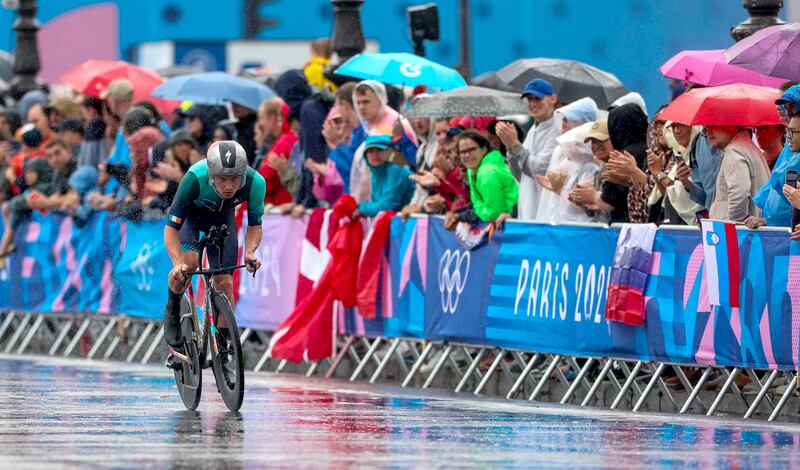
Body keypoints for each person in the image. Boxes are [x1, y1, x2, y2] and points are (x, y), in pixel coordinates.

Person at [163, 140, 265, 352]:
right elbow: (171, 228)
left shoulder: (256, 182)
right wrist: (177, 263)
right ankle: (172, 309)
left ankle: (224, 345)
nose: (229, 186)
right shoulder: (194, 177)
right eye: (222, 179)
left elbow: (255, 225)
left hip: (223, 219)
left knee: (225, 282)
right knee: (188, 267)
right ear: (211, 175)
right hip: (192, 218)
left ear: (243, 174)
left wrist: (249, 252)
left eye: (235, 179)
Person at [498, 78, 560, 220]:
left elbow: (540, 170)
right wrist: (509, 146)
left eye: (538, 98)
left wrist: (515, 145)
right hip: (528, 206)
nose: (532, 104)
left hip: (545, 211)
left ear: (553, 98)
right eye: (529, 99)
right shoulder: (533, 129)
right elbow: (519, 174)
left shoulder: (558, 128)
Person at [444, 130, 518, 229]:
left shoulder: (486, 172)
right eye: (463, 152)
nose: (467, 155)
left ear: (484, 149)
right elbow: (478, 204)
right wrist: (457, 214)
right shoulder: (472, 170)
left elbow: (496, 212)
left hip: (518, 221)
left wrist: (468, 213)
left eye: (472, 150)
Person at [706, 126, 770, 222]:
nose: (708, 131)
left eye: (713, 125)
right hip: (752, 231)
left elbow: (739, 195)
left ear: (734, 125)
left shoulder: (734, 151)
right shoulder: (749, 147)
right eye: (706, 127)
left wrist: (728, 227)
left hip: (739, 234)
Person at [0, 157, 53, 262]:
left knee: (13, 212)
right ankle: (6, 245)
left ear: (40, 172)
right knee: (8, 208)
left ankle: (3, 249)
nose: (26, 176)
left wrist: (11, 205)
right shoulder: (32, 187)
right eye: (26, 172)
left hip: (47, 232)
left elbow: (19, 203)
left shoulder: (43, 186)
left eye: (31, 172)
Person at [353, 135, 415, 217]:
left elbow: (387, 206)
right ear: (365, 155)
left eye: (379, 150)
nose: (375, 154)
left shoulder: (396, 170)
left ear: (389, 153)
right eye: (370, 151)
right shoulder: (375, 172)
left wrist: (360, 208)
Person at [77, 96, 108, 168]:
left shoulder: (95, 124)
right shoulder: (102, 123)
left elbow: (88, 159)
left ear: (91, 110)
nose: (83, 116)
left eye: (83, 112)